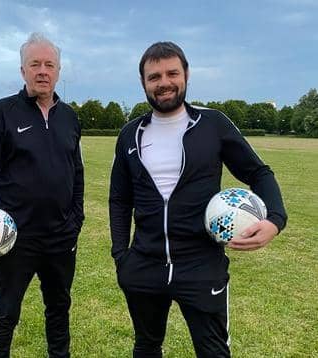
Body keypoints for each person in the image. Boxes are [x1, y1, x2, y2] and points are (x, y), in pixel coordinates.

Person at [109, 41, 287, 357]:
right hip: (143, 266)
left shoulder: (213, 124)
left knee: (213, 352)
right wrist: (122, 256)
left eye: (171, 73)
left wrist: (275, 219)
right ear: (143, 83)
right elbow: (119, 199)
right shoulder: (130, 134)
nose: (163, 82)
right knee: (147, 347)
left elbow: (259, 173)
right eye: (154, 77)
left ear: (186, 75)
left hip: (201, 265)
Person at [0, 32, 84, 358]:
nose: (42, 71)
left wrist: (77, 219)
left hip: (61, 237)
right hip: (15, 238)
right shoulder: (3, 111)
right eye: (35, 64)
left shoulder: (70, 117)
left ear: (58, 71)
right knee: (6, 313)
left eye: (49, 64)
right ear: (23, 71)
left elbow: (78, 172)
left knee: (59, 310)